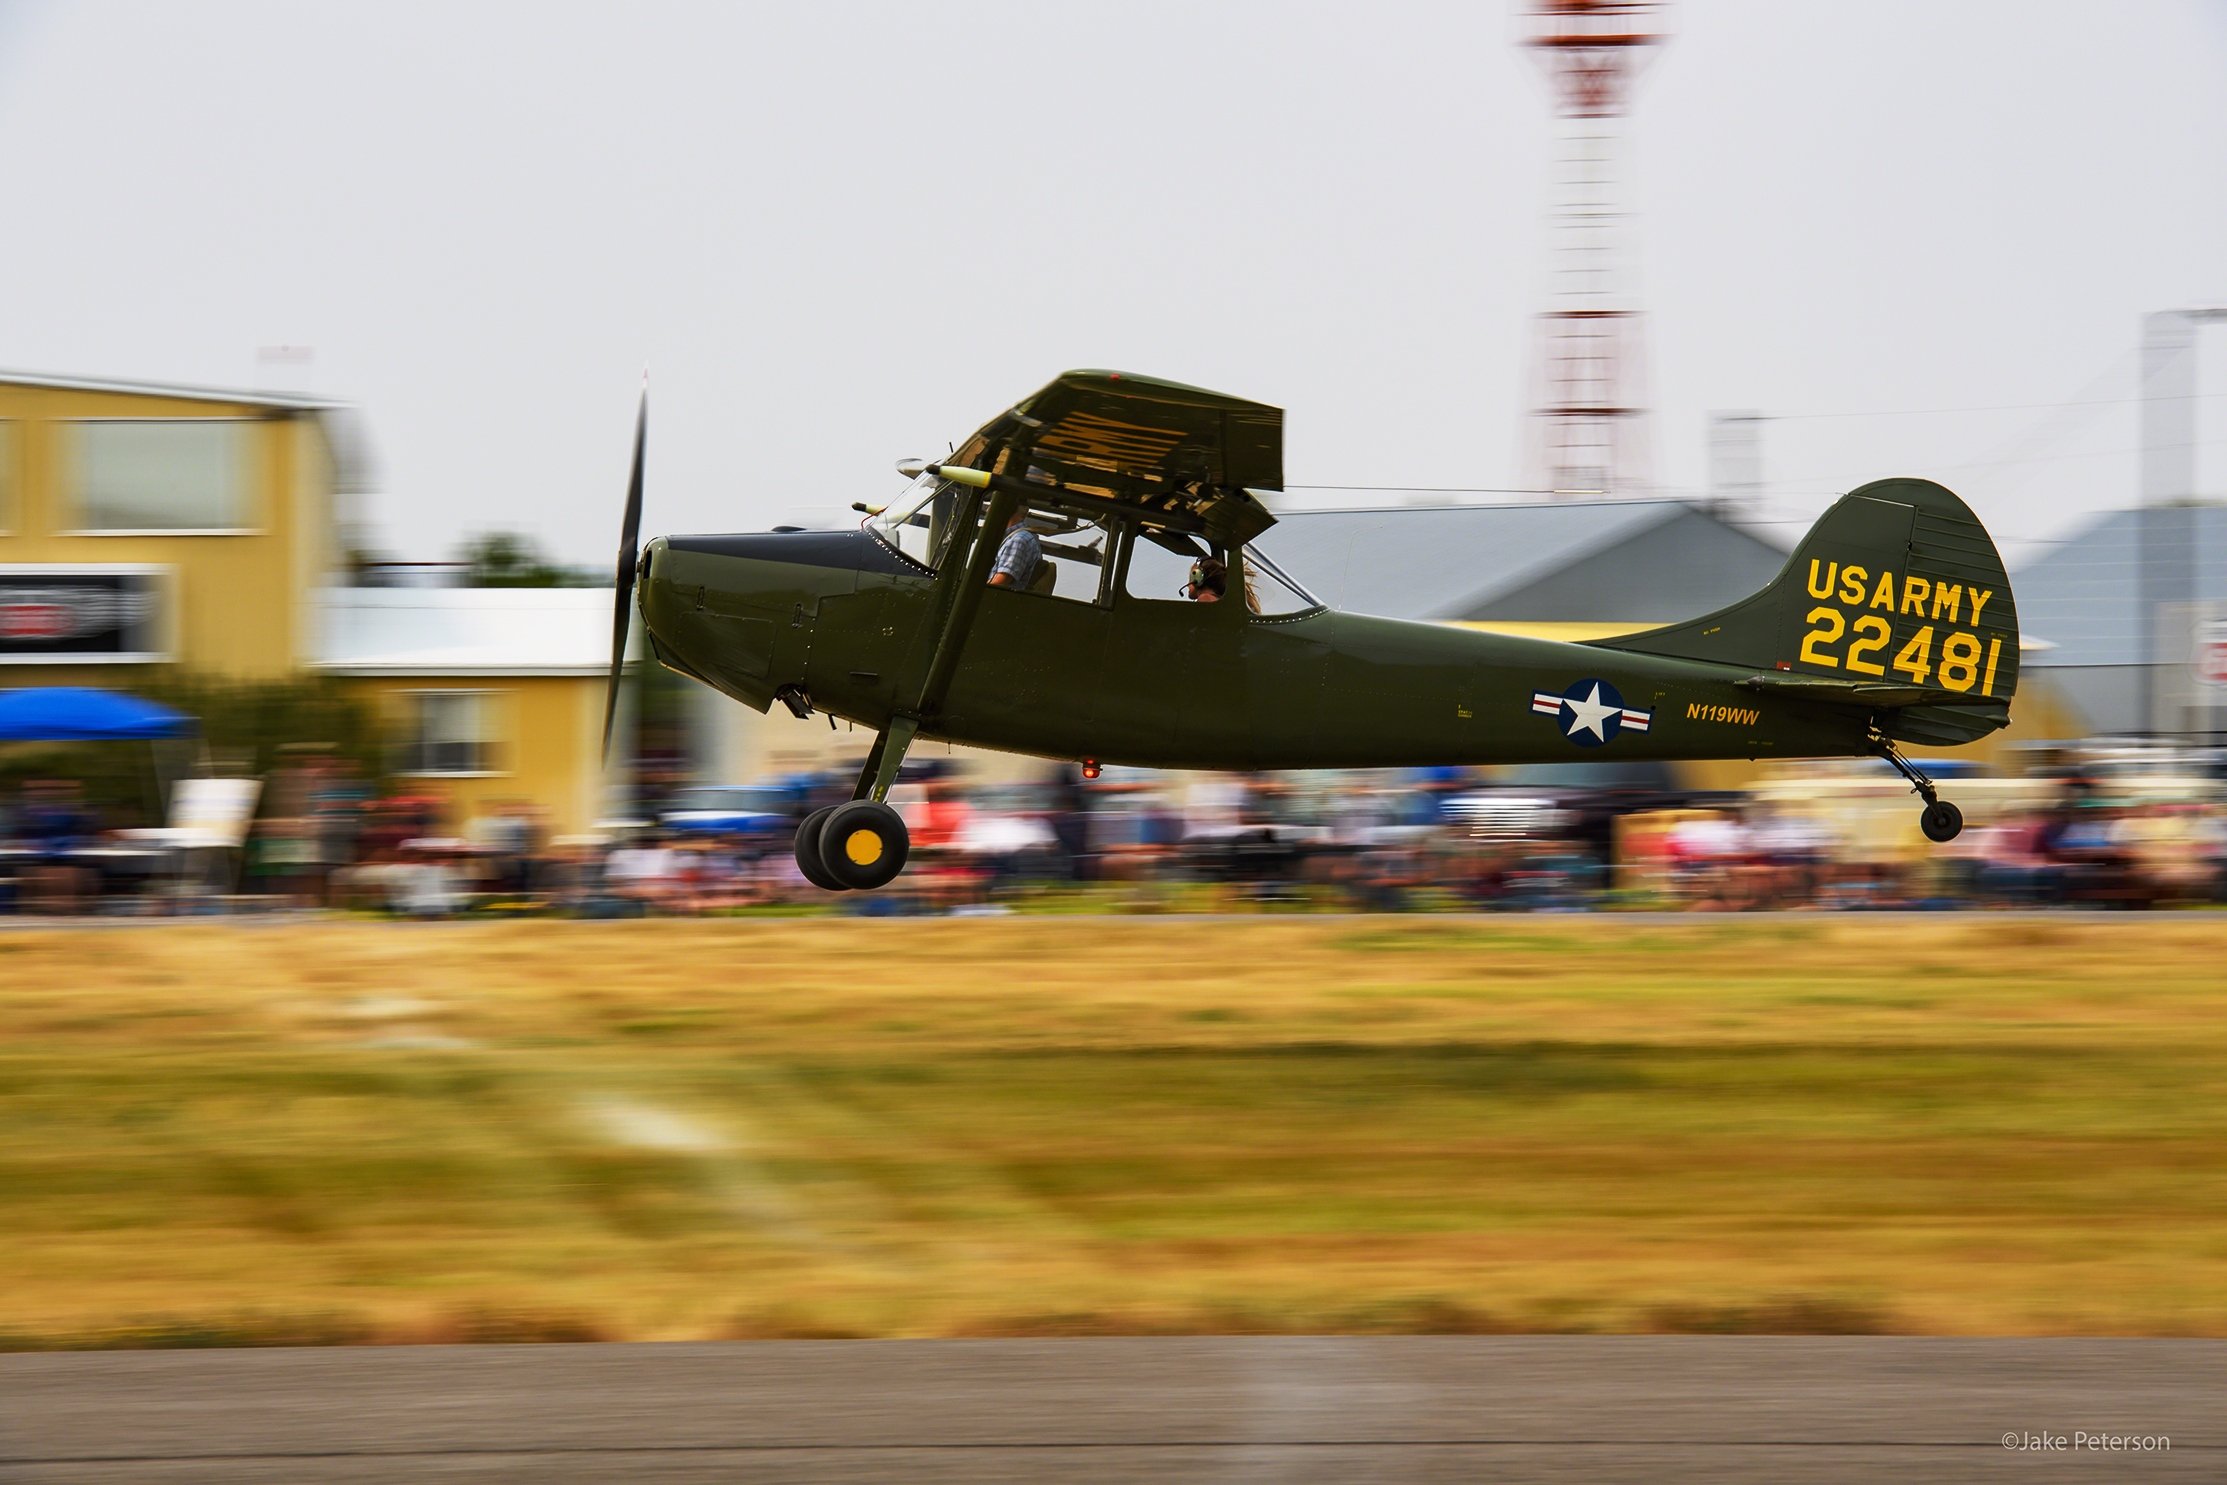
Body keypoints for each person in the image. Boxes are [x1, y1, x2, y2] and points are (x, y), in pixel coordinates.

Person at [986, 508, 1042, 590]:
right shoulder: (1017, 537)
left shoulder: (1018, 540)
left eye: (993, 505)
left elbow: (998, 584)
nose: (987, 510)